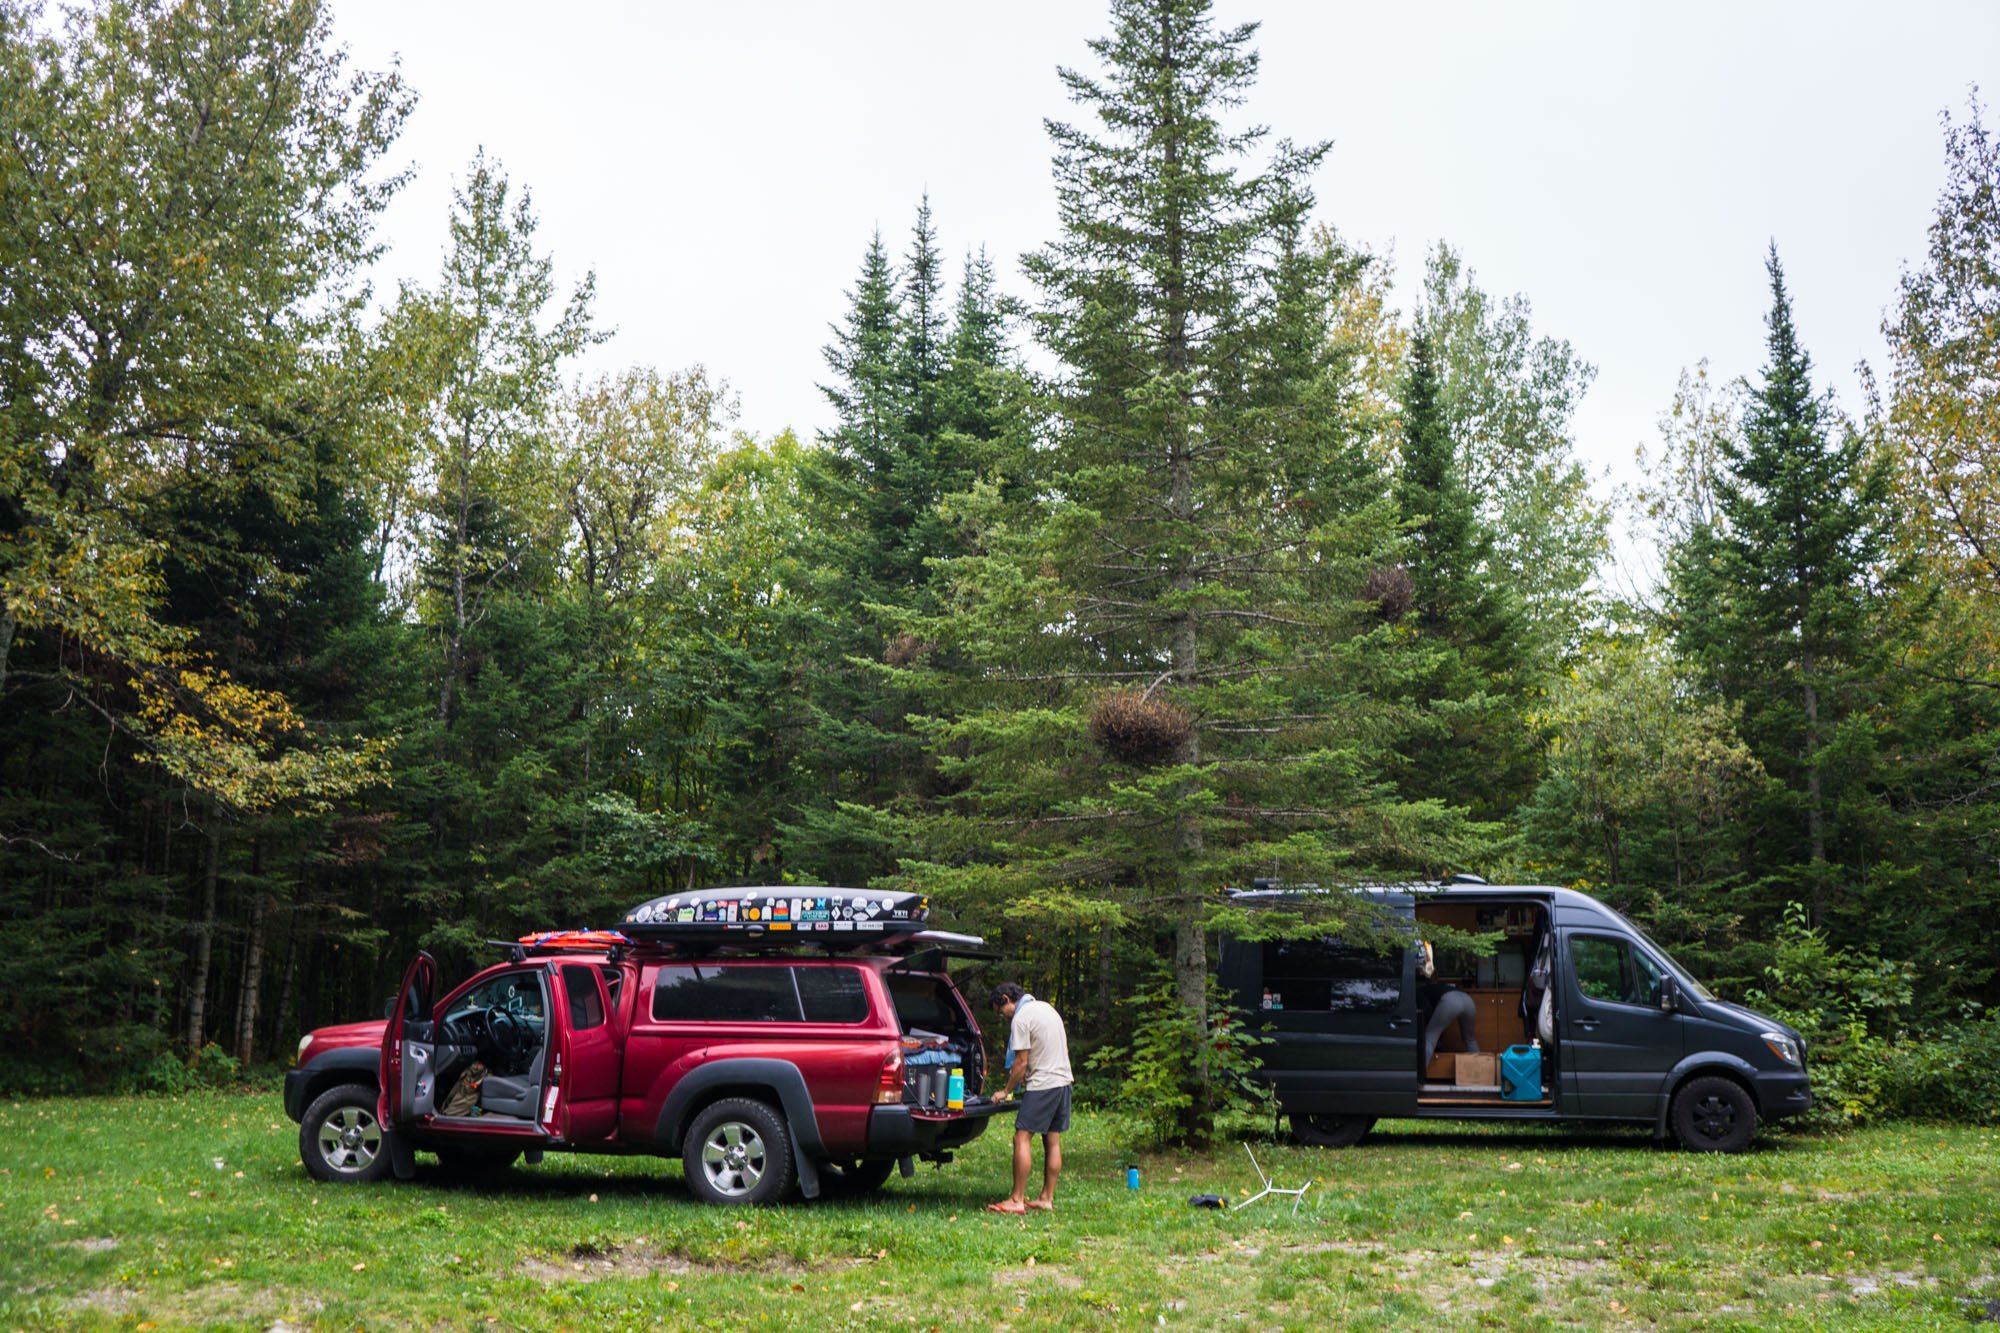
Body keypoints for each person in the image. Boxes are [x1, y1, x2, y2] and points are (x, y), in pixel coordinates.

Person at [985, 982, 1072, 1215]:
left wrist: (1005, 1090)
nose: (1002, 1017)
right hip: (1063, 1081)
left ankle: (1016, 1199)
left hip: (1043, 1085)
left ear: (1005, 999)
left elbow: (1021, 1062)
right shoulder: (1047, 1009)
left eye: (1000, 1011)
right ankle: (1046, 1198)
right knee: (1052, 1140)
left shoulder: (1022, 1018)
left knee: (1021, 1138)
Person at [1416, 940, 1479, 1073]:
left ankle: (1419, 1076)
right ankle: (1479, 1073)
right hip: (1468, 1000)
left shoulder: (1420, 991)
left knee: (1430, 1037)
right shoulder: (1438, 987)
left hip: (1451, 1001)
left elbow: (1426, 1012)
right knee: (1470, 1039)